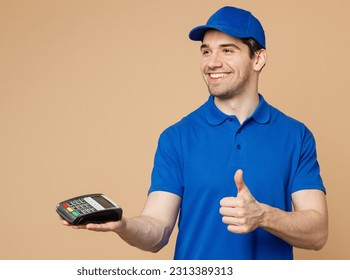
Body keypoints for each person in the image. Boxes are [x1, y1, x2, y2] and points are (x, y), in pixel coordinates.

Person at [61, 6, 328, 260]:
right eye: (206, 51)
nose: (213, 62)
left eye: (227, 50)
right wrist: (124, 226)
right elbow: (157, 228)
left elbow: (318, 233)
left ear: (258, 58)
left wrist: (263, 216)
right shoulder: (177, 138)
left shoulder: (296, 135)